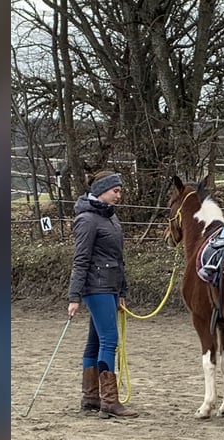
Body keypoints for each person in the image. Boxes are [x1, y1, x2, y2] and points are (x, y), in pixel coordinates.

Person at [67, 170, 138, 418]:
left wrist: (122, 290)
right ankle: (109, 400)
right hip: (96, 287)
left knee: (95, 341)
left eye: (119, 191)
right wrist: (74, 296)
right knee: (110, 340)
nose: (119, 195)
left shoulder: (111, 218)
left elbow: (118, 259)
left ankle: (90, 397)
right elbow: (81, 259)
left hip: (110, 287)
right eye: (115, 191)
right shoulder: (87, 220)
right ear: (101, 191)